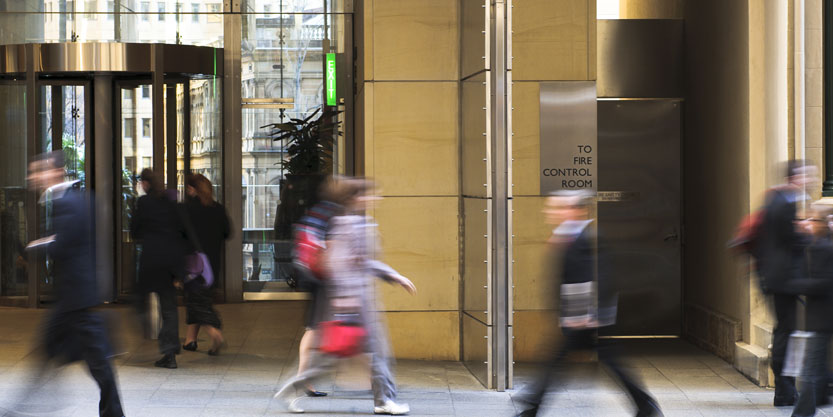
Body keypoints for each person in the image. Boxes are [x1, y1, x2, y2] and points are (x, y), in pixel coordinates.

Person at [274, 178, 417, 415]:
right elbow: (339, 264)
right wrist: (346, 302)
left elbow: (365, 262)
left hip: (360, 302)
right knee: (343, 357)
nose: (375, 199)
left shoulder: (361, 223)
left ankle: (383, 401)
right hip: (352, 302)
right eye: (369, 195)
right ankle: (382, 401)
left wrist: (394, 276)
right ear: (355, 198)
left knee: (364, 355)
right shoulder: (347, 224)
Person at [513, 190, 662, 417]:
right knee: (593, 361)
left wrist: (592, 313)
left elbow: (601, 276)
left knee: (566, 361)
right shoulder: (569, 236)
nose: (551, 212)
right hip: (580, 316)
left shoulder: (589, 237)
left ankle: (532, 406)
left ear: (577, 211)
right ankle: (646, 406)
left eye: (559, 207)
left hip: (589, 317)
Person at [16, 152, 125, 417]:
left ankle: (24, 406)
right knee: (69, 355)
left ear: (54, 172)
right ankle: (26, 405)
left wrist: (39, 245)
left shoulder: (66, 202)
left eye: (37, 172)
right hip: (77, 294)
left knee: (92, 360)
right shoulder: (82, 198)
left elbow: (62, 245)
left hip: (74, 296)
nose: (33, 178)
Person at [758, 161, 818, 406]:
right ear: (797, 176)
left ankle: (785, 391)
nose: (812, 180)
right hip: (785, 279)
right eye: (808, 176)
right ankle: (785, 392)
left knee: (783, 330)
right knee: (786, 332)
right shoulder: (787, 202)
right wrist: (807, 231)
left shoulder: (774, 199)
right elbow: (791, 240)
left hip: (774, 277)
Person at [291, 178, 343, 397]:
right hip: (322, 278)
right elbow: (332, 251)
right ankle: (303, 378)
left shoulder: (318, 210)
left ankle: (305, 378)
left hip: (310, 274)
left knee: (314, 328)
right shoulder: (335, 214)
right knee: (316, 329)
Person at [131, 168, 185, 369]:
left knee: (140, 298)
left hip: (151, 260)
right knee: (169, 308)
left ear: (145, 183)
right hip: (170, 262)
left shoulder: (143, 203)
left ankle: (145, 328)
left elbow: (135, 229)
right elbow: (181, 232)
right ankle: (170, 353)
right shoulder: (171, 204)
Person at [789, 203, 833, 417]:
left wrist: (795, 284)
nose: (807, 223)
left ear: (823, 224)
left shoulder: (822, 248)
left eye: (812, 220)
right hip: (820, 316)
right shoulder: (817, 246)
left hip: (821, 317)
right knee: (815, 367)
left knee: (809, 370)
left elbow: (823, 282)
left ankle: (801, 414)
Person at [181, 174, 230, 356]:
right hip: (212, 263)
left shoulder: (188, 209)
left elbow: (181, 235)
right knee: (200, 299)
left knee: (196, 300)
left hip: (193, 263)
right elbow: (228, 231)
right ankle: (190, 340)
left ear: (192, 189)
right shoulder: (217, 209)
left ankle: (213, 331)